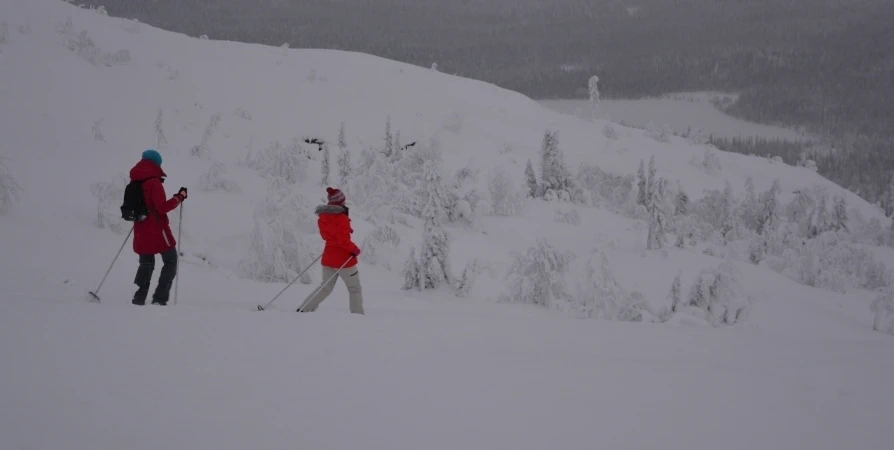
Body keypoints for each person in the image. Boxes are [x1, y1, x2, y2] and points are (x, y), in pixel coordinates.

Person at [129, 149, 187, 306]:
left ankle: (139, 298)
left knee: (146, 263)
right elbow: (161, 208)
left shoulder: (135, 180)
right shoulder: (154, 182)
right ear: (156, 163)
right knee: (171, 260)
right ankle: (159, 299)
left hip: (140, 229)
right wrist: (179, 197)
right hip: (157, 229)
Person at [299, 187, 364, 314]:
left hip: (328, 257)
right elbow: (343, 241)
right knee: (354, 289)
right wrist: (354, 249)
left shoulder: (322, 217)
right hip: (344, 260)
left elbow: (327, 236)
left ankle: (304, 309)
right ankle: (357, 315)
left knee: (325, 288)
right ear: (340, 201)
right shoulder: (342, 218)